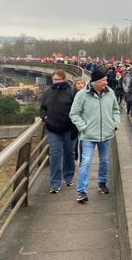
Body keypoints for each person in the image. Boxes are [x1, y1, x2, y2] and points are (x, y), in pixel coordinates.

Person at [70, 67, 120, 203]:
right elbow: (74, 113)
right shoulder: (82, 95)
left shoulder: (110, 93)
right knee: (86, 162)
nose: (106, 82)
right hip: (88, 135)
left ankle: (102, 182)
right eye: (103, 80)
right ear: (96, 81)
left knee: (104, 161)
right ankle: (81, 191)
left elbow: (116, 109)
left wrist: (114, 123)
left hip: (106, 134)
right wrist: (83, 127)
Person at [39, 69, 78, 193]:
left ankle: (68, 177)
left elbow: (77, 110)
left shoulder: (71, 92)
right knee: (55, 156)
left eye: (59, 79)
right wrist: (44, 117)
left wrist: (75, 127)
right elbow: (42, 108)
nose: (57, 82)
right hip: (53, 130)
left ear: (64, 79)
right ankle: (55, 183)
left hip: (68, 129)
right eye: (55, 79)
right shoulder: (47, 92)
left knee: (69, 154)